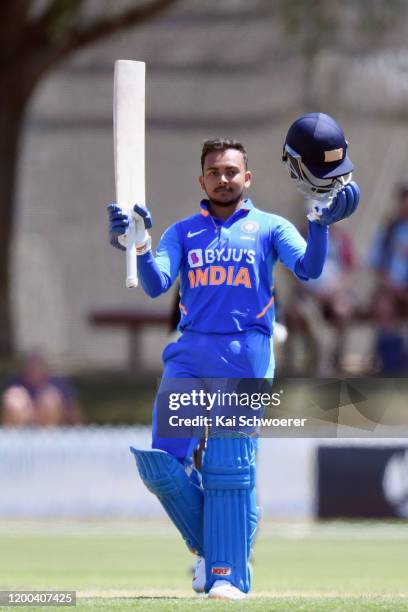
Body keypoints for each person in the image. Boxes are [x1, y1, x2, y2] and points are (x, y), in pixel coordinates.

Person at [107, 114, 359, 600]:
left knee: (227, 466)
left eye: (232, 171)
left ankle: (227, 575)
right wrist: (138, 240)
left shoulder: (270, 227)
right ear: (202, 180)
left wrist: (319, 222)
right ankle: (226, 541)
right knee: (162, 464)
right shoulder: (182, 233)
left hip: (244, 359)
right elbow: (158, 283)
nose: (224, 179)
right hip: (187, 357)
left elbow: (308, 269)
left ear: (248, 177)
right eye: (215, 172)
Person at [369, 179, 408, 374]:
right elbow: (376, 264)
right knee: (384, 306)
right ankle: (389, 364)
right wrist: (393, 287)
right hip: (391, 290)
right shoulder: (389, 229)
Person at [1, 351, 82, 427]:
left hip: (53, 428)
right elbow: (6, 411)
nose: (34, 370)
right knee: (15, 400)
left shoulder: (58, 383)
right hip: (22, 427)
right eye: (31, 367)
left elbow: (73, 410)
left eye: (37, 366)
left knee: (50, 399)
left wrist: (79, 429)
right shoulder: (15, 383)